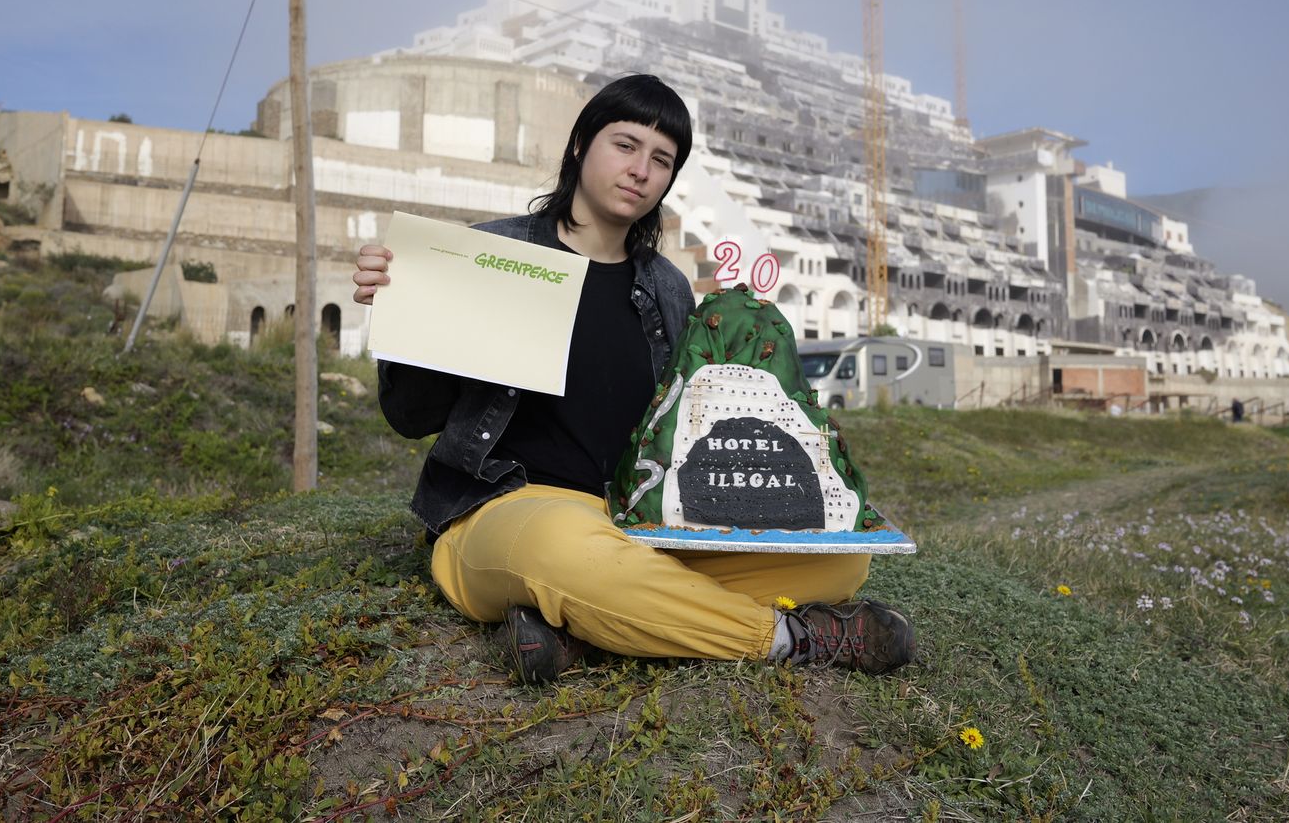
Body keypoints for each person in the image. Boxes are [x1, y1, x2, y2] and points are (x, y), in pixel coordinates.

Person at [353, 74, 915, 683]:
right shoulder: (490, 253)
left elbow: (683, 424)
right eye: (624, 145)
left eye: (661, 160)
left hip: (631, 520)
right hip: (508, 511)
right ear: (580, 146)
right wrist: (405, 311)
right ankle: (793, 638)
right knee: (566, 555)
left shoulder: (668, 288)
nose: (641, 170)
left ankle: (586, 628)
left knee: (839, 565)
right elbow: (411, 417)